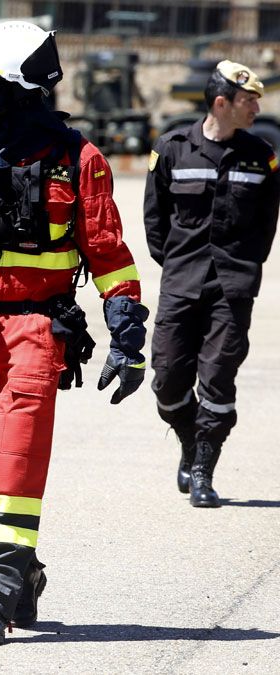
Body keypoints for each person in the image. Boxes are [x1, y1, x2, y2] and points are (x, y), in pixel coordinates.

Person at [0, 21, 146, 644]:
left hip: (39, 330)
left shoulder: (81, 160)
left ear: (13, 87)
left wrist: (127, 336)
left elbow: (109, 254)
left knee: (16, 456)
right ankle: (23, 573)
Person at [143, 61, 280, 508]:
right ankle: (188, 439)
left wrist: (244, 269)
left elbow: (265, 225)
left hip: (232, 287)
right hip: (181, 283)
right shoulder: (171, 149)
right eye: (249, 100)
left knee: (218, 379)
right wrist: (178, 265)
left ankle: (203, 467)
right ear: (222, 103)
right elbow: (155, 220)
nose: (256, 107)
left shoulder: (263, 156)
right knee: (166, 380)